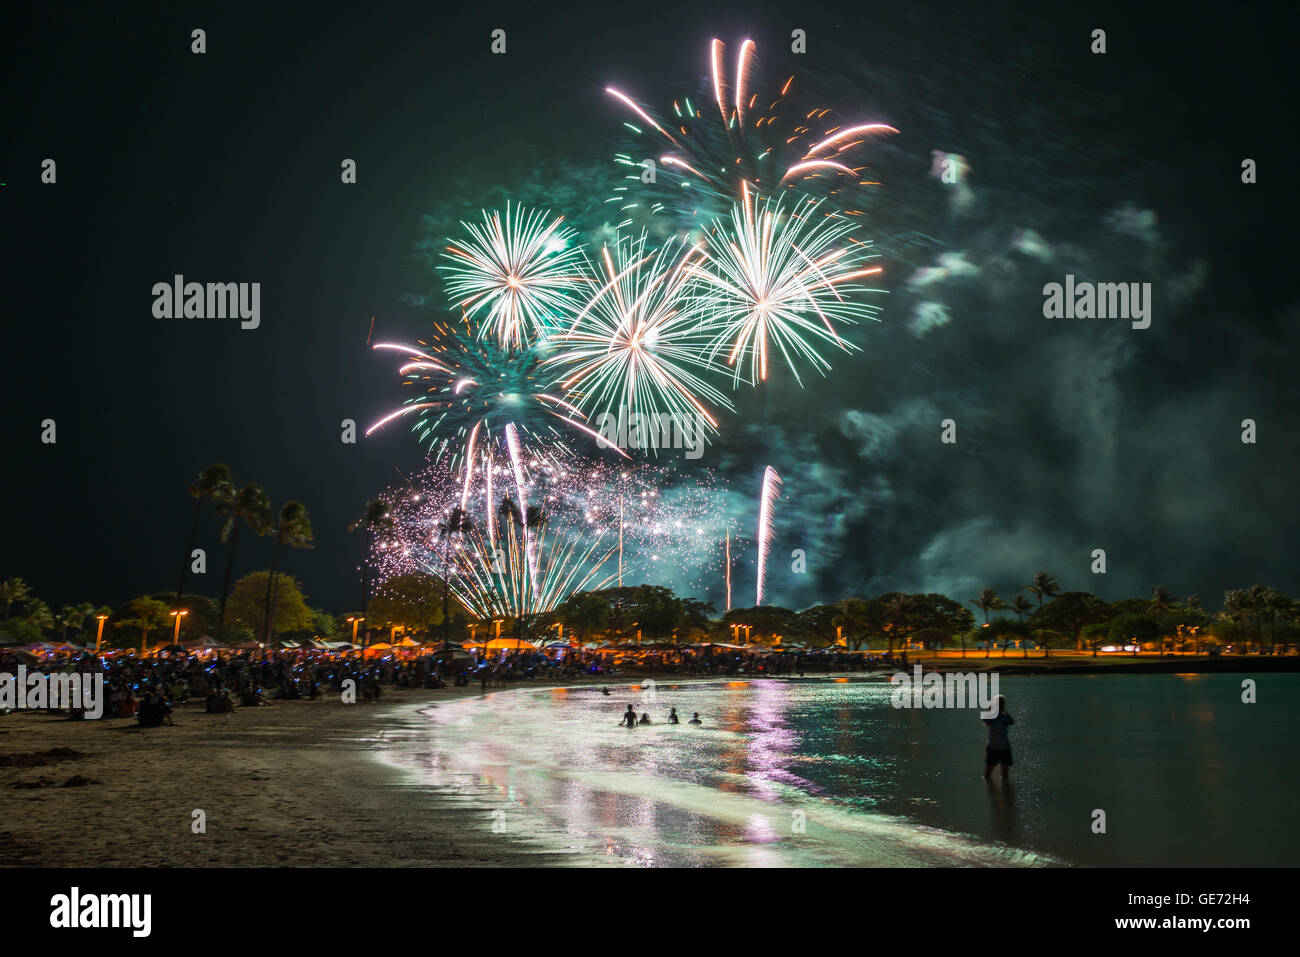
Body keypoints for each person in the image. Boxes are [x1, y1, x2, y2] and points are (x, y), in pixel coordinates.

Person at [982, 695, 1014, 780]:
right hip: (994, 747)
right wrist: (992, 708)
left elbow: (1012, 721)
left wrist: (1003, 710)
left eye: (1001, 704)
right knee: (987, 775)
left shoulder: (1004, 718)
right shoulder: (991, 718)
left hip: (1004, 748)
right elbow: (984, 718)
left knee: (1004, 776)